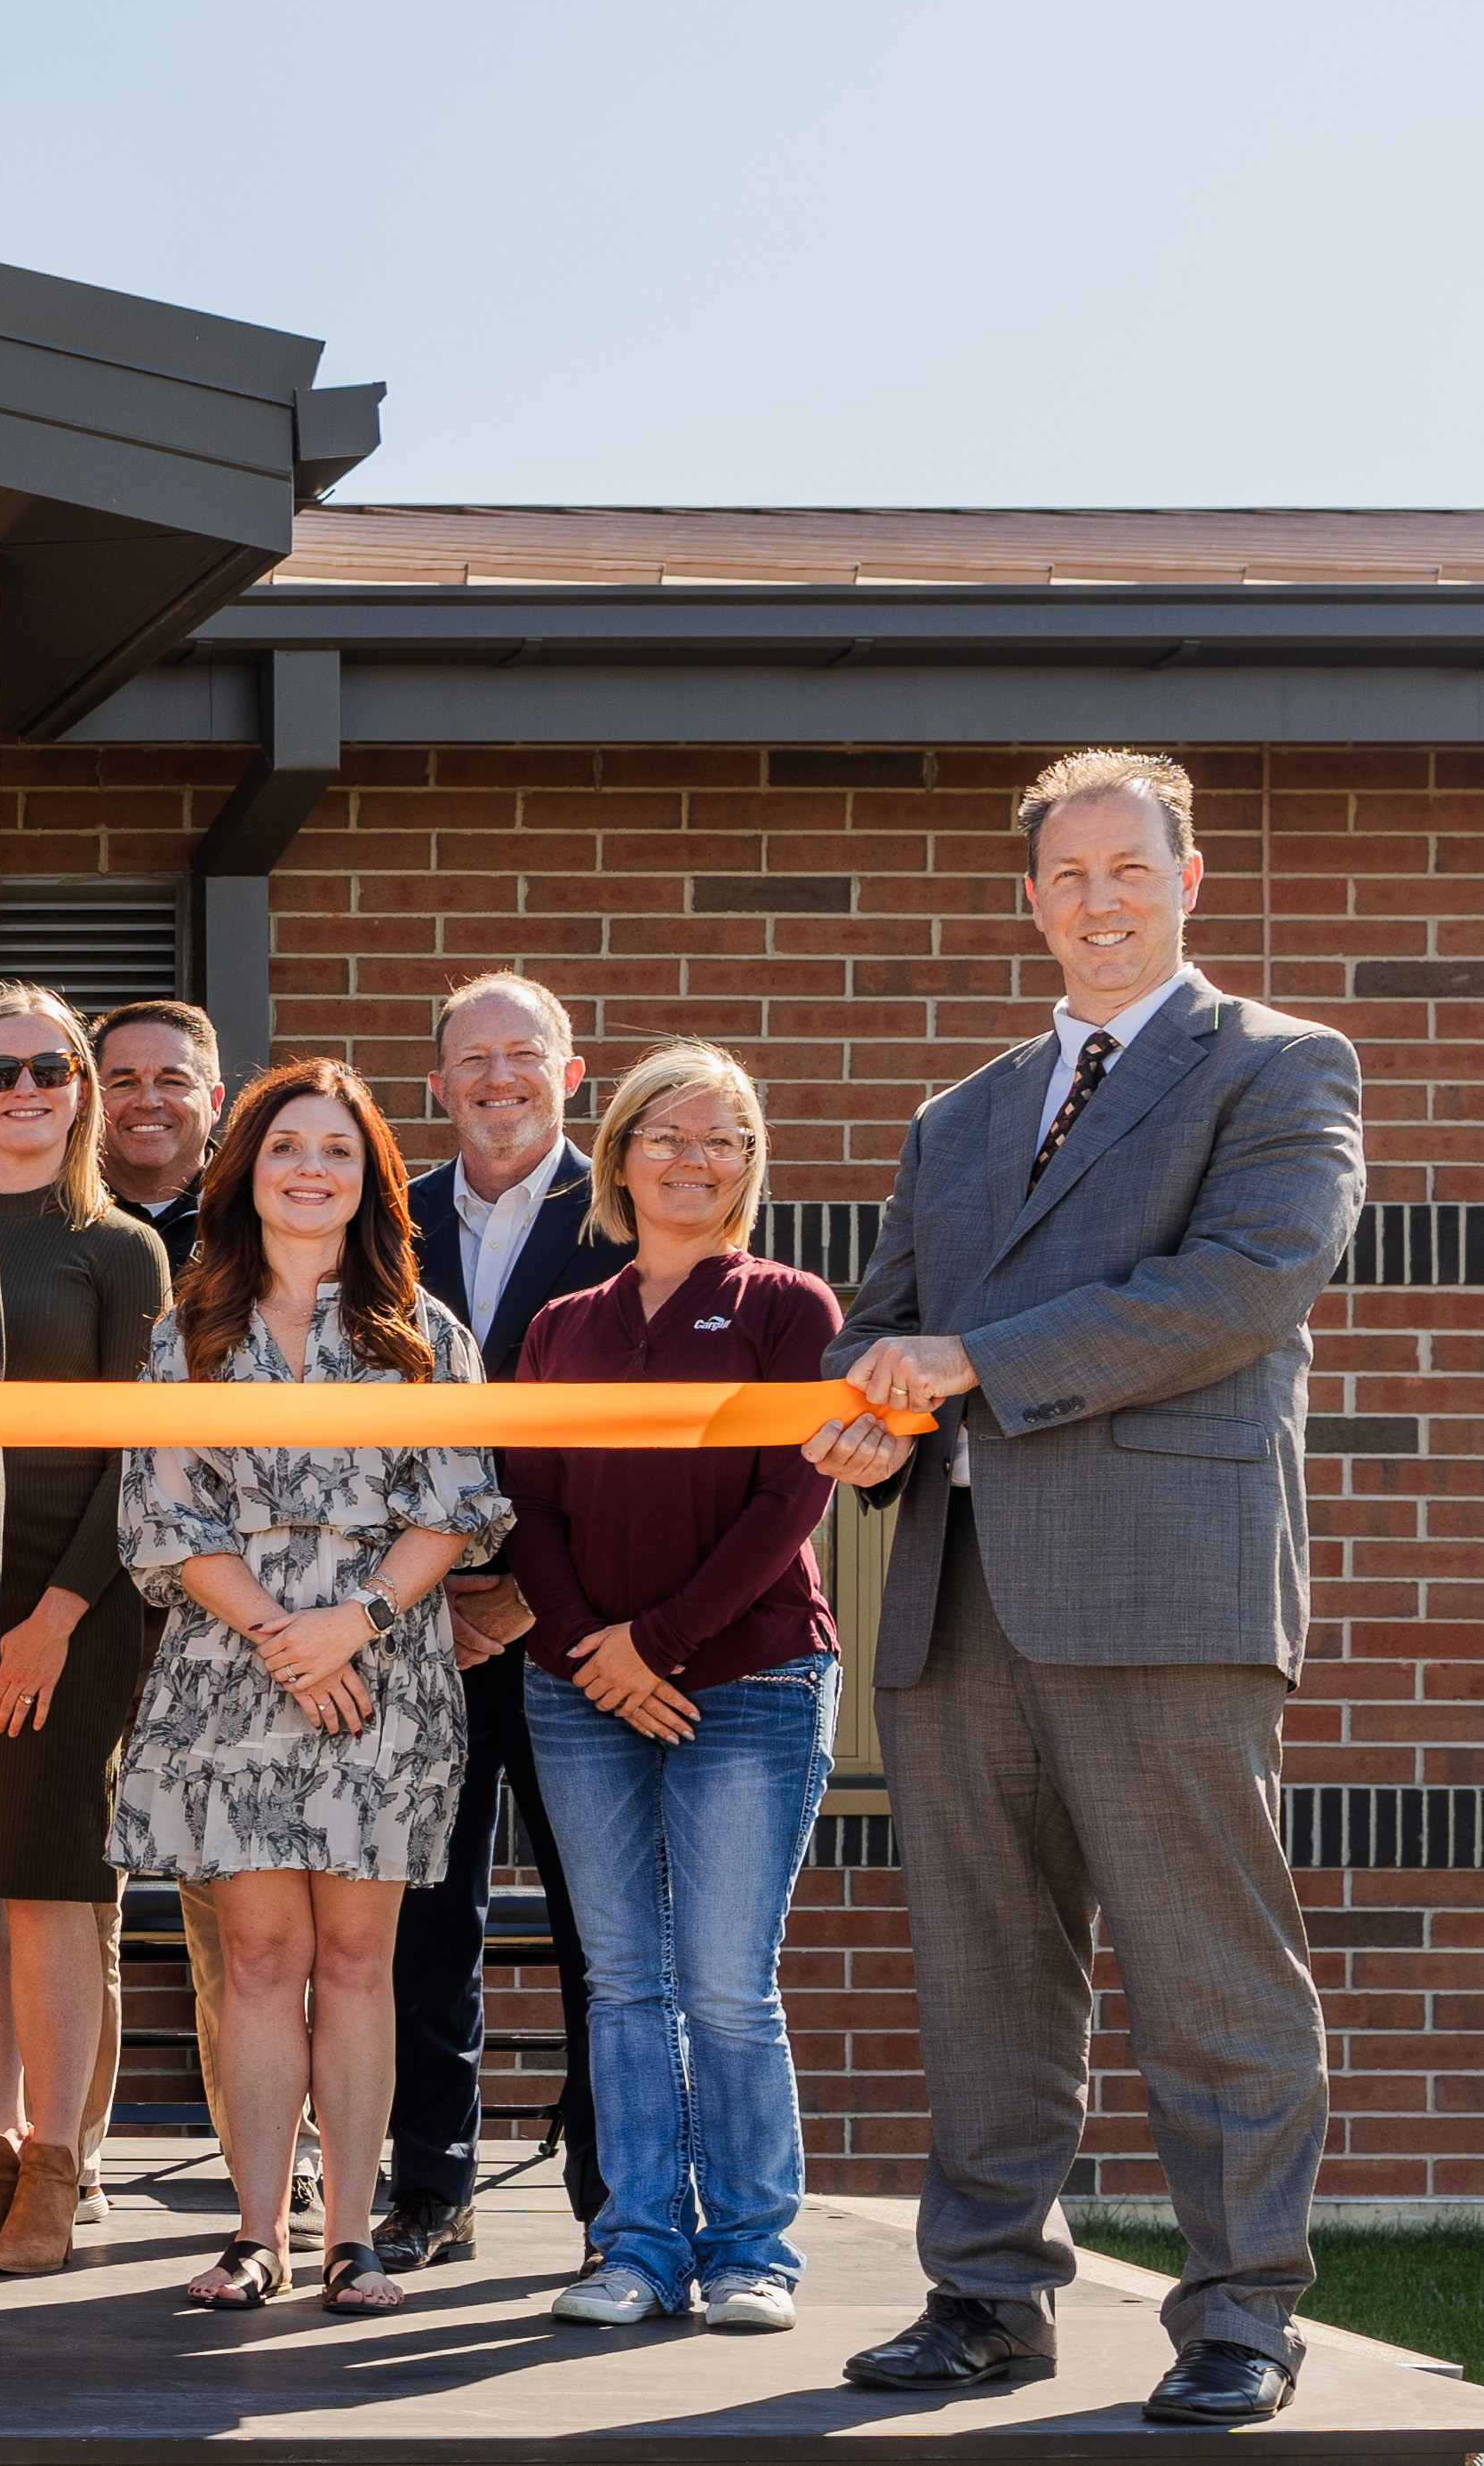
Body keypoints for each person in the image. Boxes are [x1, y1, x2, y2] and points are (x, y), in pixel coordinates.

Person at [809, 753, 1363, 2429]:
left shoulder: (1274, 1066)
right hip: (958, 1589)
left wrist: (965, 1357)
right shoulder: (956, 1112)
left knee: (1206, 1960)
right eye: (1066, 875)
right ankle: (984, 2292)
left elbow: (1239, 1287)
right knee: (982, 1967)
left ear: (1184, 880)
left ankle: (1240, 2310)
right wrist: (856, 1410)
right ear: (1027, 899)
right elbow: (881, 1316)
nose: (1098, 898)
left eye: (1128, 867)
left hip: (1163, 1582)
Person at [110, 1058, 509, 2318]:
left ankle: (351, 2238)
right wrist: (287, 1631)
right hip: (233, 1669)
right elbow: (159, 1513)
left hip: (382, 1672)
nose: (310, 1169)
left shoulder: (426, 1334)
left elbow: (459, 1508)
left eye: (338, 1150)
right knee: (259, 1952)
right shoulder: (187, 1332)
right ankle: (255, 2232)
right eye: (288, 1146)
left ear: (370, 1180)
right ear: (247, 1173)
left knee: (355, 1959)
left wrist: (355, 1620)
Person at [503, 1041, 842, 2334]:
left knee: (725, 1981)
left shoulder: (788, 1304)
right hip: (579, 1685)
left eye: (725, 1139)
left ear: (750, 1166)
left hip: (747, 1680)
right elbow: (525, 1501)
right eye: (669, 1134)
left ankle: (753, 2248)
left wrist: (664, 1641)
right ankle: (637, 2244)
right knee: (623, 1980)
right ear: (623, 1151)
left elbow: (791, 1497)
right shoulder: (561, 1324)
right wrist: (597, 1642)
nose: (694, 1159)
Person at [0, 992, 168, 2279]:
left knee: (55, 1880)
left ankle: (63, 2163)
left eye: (51, 1066)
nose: (24, 1085)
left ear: (81, 1090)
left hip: (78, 1598)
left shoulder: (119, 1248)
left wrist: (56, 1618)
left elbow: (142, 1454)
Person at [379, 971, 627, 2278]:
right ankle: (430, 2187)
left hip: (582, 1624)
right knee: (431, 1916)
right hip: (421, 1631)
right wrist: (438, 1589)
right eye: (469, 1057)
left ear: (570, 1072)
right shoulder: (388, 1220)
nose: (497, 1078)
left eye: (522, 1054)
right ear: (436, 1083)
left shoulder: (634, 1209)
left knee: (602, 1927)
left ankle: (609, 2201)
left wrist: (525, 1586)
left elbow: (631, 1446)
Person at [89, 997, 241, 2210]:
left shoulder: (263, 1227)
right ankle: (63, 2160)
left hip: (226, 1604)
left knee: (234, 1896)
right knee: (77, 1885)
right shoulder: (49, 1219)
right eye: (122, 1075)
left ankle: (268, 2161)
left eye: (173, 1078)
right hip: (78, 1593)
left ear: (217, 1096)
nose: (147, 1097)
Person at [96, 1001, 225, 1273]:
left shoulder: (262, 1213)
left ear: (215, 1103)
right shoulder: (54, 1212)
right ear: (91, 1100)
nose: (148, 1102)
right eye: (124, 1083)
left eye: (172, 1081)